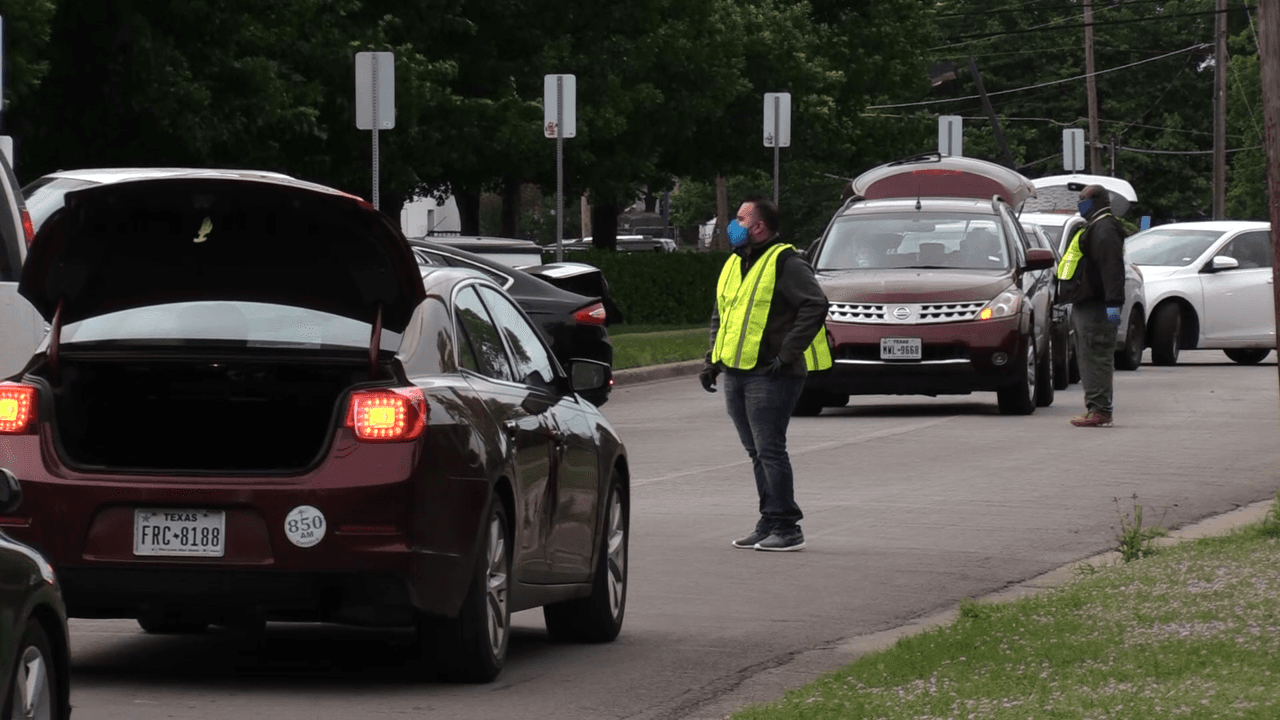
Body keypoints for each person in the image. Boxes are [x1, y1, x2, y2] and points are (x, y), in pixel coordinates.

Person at [699, 196, 832, 552]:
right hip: (737, 372)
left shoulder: (787, 262)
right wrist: (712, 360)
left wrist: (787, 354)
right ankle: (769, 520)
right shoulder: (734, 263)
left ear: (759, 227)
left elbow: (815, 305)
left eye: (740, 219)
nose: (732, 225)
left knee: (770, 450)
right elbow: (722, 315)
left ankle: (787, 528)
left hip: (771, 375)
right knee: (756, 452)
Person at [1055, 184, 1127, 427]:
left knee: (1096, 356)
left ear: (1097, 201)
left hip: (1097, 308)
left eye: (1083, 200)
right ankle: (1096, 408)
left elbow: (1112, 272)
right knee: (1089, 356)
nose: (1079, 205)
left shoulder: (1104, 229)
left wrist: (1113, 309)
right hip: (1089, 305)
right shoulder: (1097, 226)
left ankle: (1100, 410)